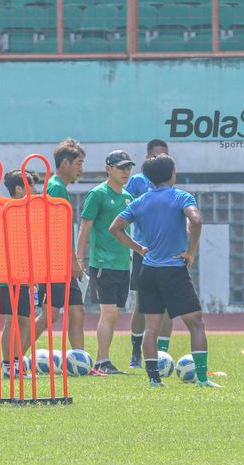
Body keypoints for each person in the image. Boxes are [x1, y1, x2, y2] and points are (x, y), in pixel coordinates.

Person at [109, 154, 220, 388]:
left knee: (151, 328)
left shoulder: (140, 201)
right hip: (174, 271)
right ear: (172, 173)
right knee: (196, 324)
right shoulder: (181, 196)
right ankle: (202, 378)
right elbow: (196, 221)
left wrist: (138, 248)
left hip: (148, 271)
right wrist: (190, 252)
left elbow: (115, 228)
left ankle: (153, 380)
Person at [76, 150, 135, 375]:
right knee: (108, 312)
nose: (126, 172)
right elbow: (85, 227)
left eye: (128, 167)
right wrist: (79, 258)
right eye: (121, 167)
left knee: (114, 313)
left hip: (122, 263)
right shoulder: (98, 194)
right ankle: (102, 361)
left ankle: (103, 360)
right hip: (102, 262)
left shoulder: (128, 197)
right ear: (108, 168)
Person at [125, 139, 174, 369]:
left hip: (167, 251)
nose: (160, 160)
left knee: (167, 304)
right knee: (142, 305)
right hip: (143, 251)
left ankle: (163, 355)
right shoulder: (136, 182)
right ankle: (136, 352)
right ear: (147, 158)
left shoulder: (168, 183)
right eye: (156, 156)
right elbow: (123, 210)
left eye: (164, 156)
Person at [34, 138, 86, 350]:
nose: (81, 168)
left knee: (76, 311)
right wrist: (74, 260)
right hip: (52, 262)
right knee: (50, 314)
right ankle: (14, 358)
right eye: (79, 163)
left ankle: (79, 360)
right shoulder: (55, 188)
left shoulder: (60, 188)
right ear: (65, 163)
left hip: (62, 263)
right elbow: (56, 231)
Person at [0, 168, 40, 379]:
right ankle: (7, 365)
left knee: (25, 321)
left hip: (26, 275)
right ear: (18, 189)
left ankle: (17, 361)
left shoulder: (30, 211)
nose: (35, 189)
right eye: (31, 185)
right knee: (11, 320)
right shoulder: (8, 210)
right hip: (9, 276)